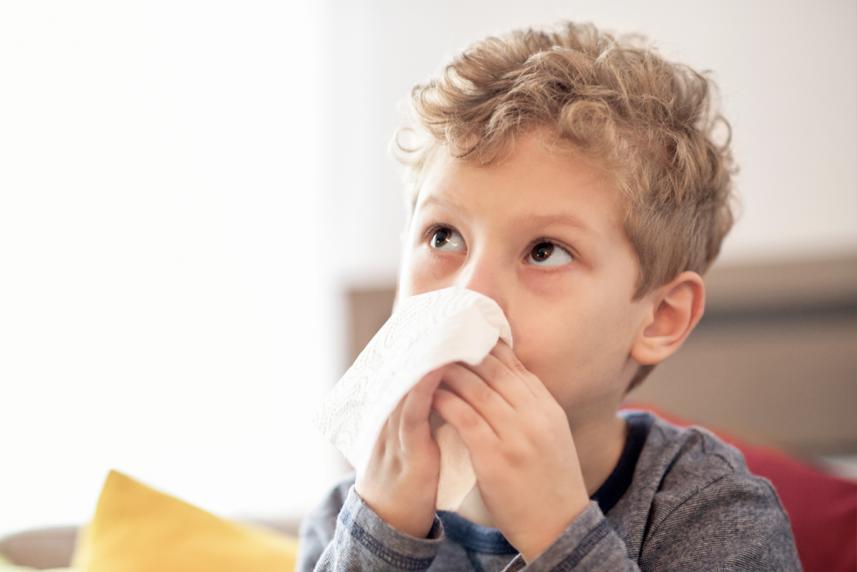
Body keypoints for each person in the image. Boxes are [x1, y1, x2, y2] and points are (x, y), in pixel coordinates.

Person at [297, 19, 802, 571]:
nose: (470, 293)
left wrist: (558, 533)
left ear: (660, 317)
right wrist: (381, 531)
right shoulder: (347, 518)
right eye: (444, 237)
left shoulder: (711, 513)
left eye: (544, 251)